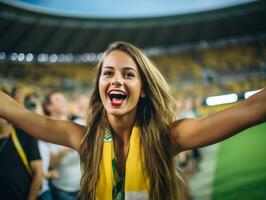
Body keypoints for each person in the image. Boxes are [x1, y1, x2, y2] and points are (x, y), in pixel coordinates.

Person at [0, 41, 265, 200]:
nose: (116, 80)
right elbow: (15, 111)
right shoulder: (82, 138)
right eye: (108, 73)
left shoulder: (167, 138)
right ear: (100, 87)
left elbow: (252, 109)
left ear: (144, 89)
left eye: (128, 74)